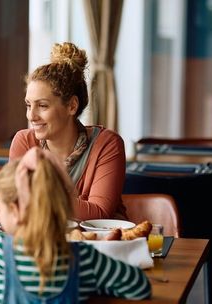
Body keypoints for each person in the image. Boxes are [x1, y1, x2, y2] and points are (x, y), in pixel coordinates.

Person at [0, 147, 151, 303]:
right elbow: (140, 287)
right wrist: (96, 284)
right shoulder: (84, 258)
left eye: (0, 208)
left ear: (15, 210)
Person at [9, 42, 127, 220]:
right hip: (42, 245)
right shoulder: (24, 142)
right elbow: (15, 207)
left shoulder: (107, 144)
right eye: (28, 105)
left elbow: (98, 214)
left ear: (72, 106)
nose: (31, 116)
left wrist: (34, 196)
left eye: (42, 105)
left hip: (97, 245)